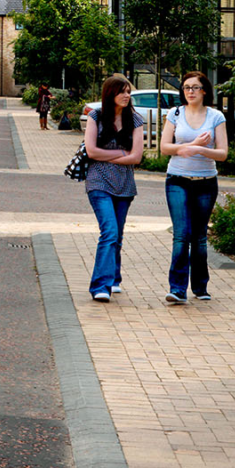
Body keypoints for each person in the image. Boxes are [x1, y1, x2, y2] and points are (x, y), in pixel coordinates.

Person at [159, 71, 227, 304]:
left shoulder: (215, 116)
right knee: (181, 235)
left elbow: (223, 153)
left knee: (199, 237)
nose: (190, 91)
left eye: (195, 87)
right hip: (177, 179)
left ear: (204, 91)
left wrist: (198, 149)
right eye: (187, 87)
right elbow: (165, 147)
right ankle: (177, 289)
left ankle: (200, 287)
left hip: (206, 182)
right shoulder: (175, 113)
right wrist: (190, 145)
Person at [83, 74, 146, 302]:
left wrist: (108, 157)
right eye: (122, 91)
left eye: (128, 91)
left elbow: (137, 157)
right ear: (110, 94)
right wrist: (121, 154)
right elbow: (91, 151)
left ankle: (115, 277)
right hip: (98, 182)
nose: (127, 95)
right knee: (109, 232)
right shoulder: (96, 117)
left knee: (116, 235)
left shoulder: (136, 120)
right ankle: (101, 286)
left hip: (125, 185)